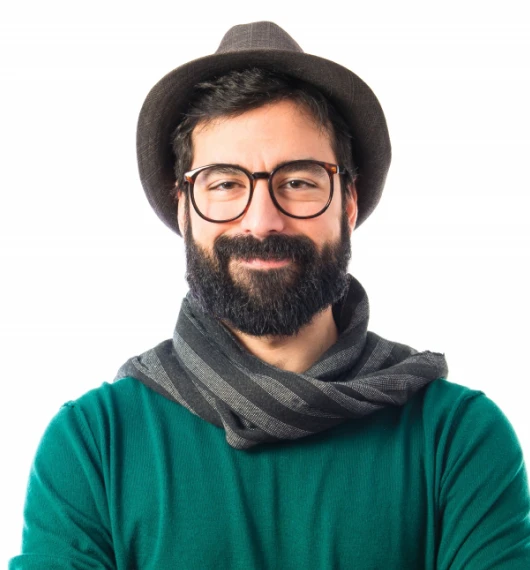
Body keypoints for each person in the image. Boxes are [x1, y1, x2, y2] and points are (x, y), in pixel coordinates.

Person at [10, 21, 530, 570]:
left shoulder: (455, 436)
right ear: (184, 208)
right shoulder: (94, 443)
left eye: (299, 182)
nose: (262, 221)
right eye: (224, 183)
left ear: (348, 203)